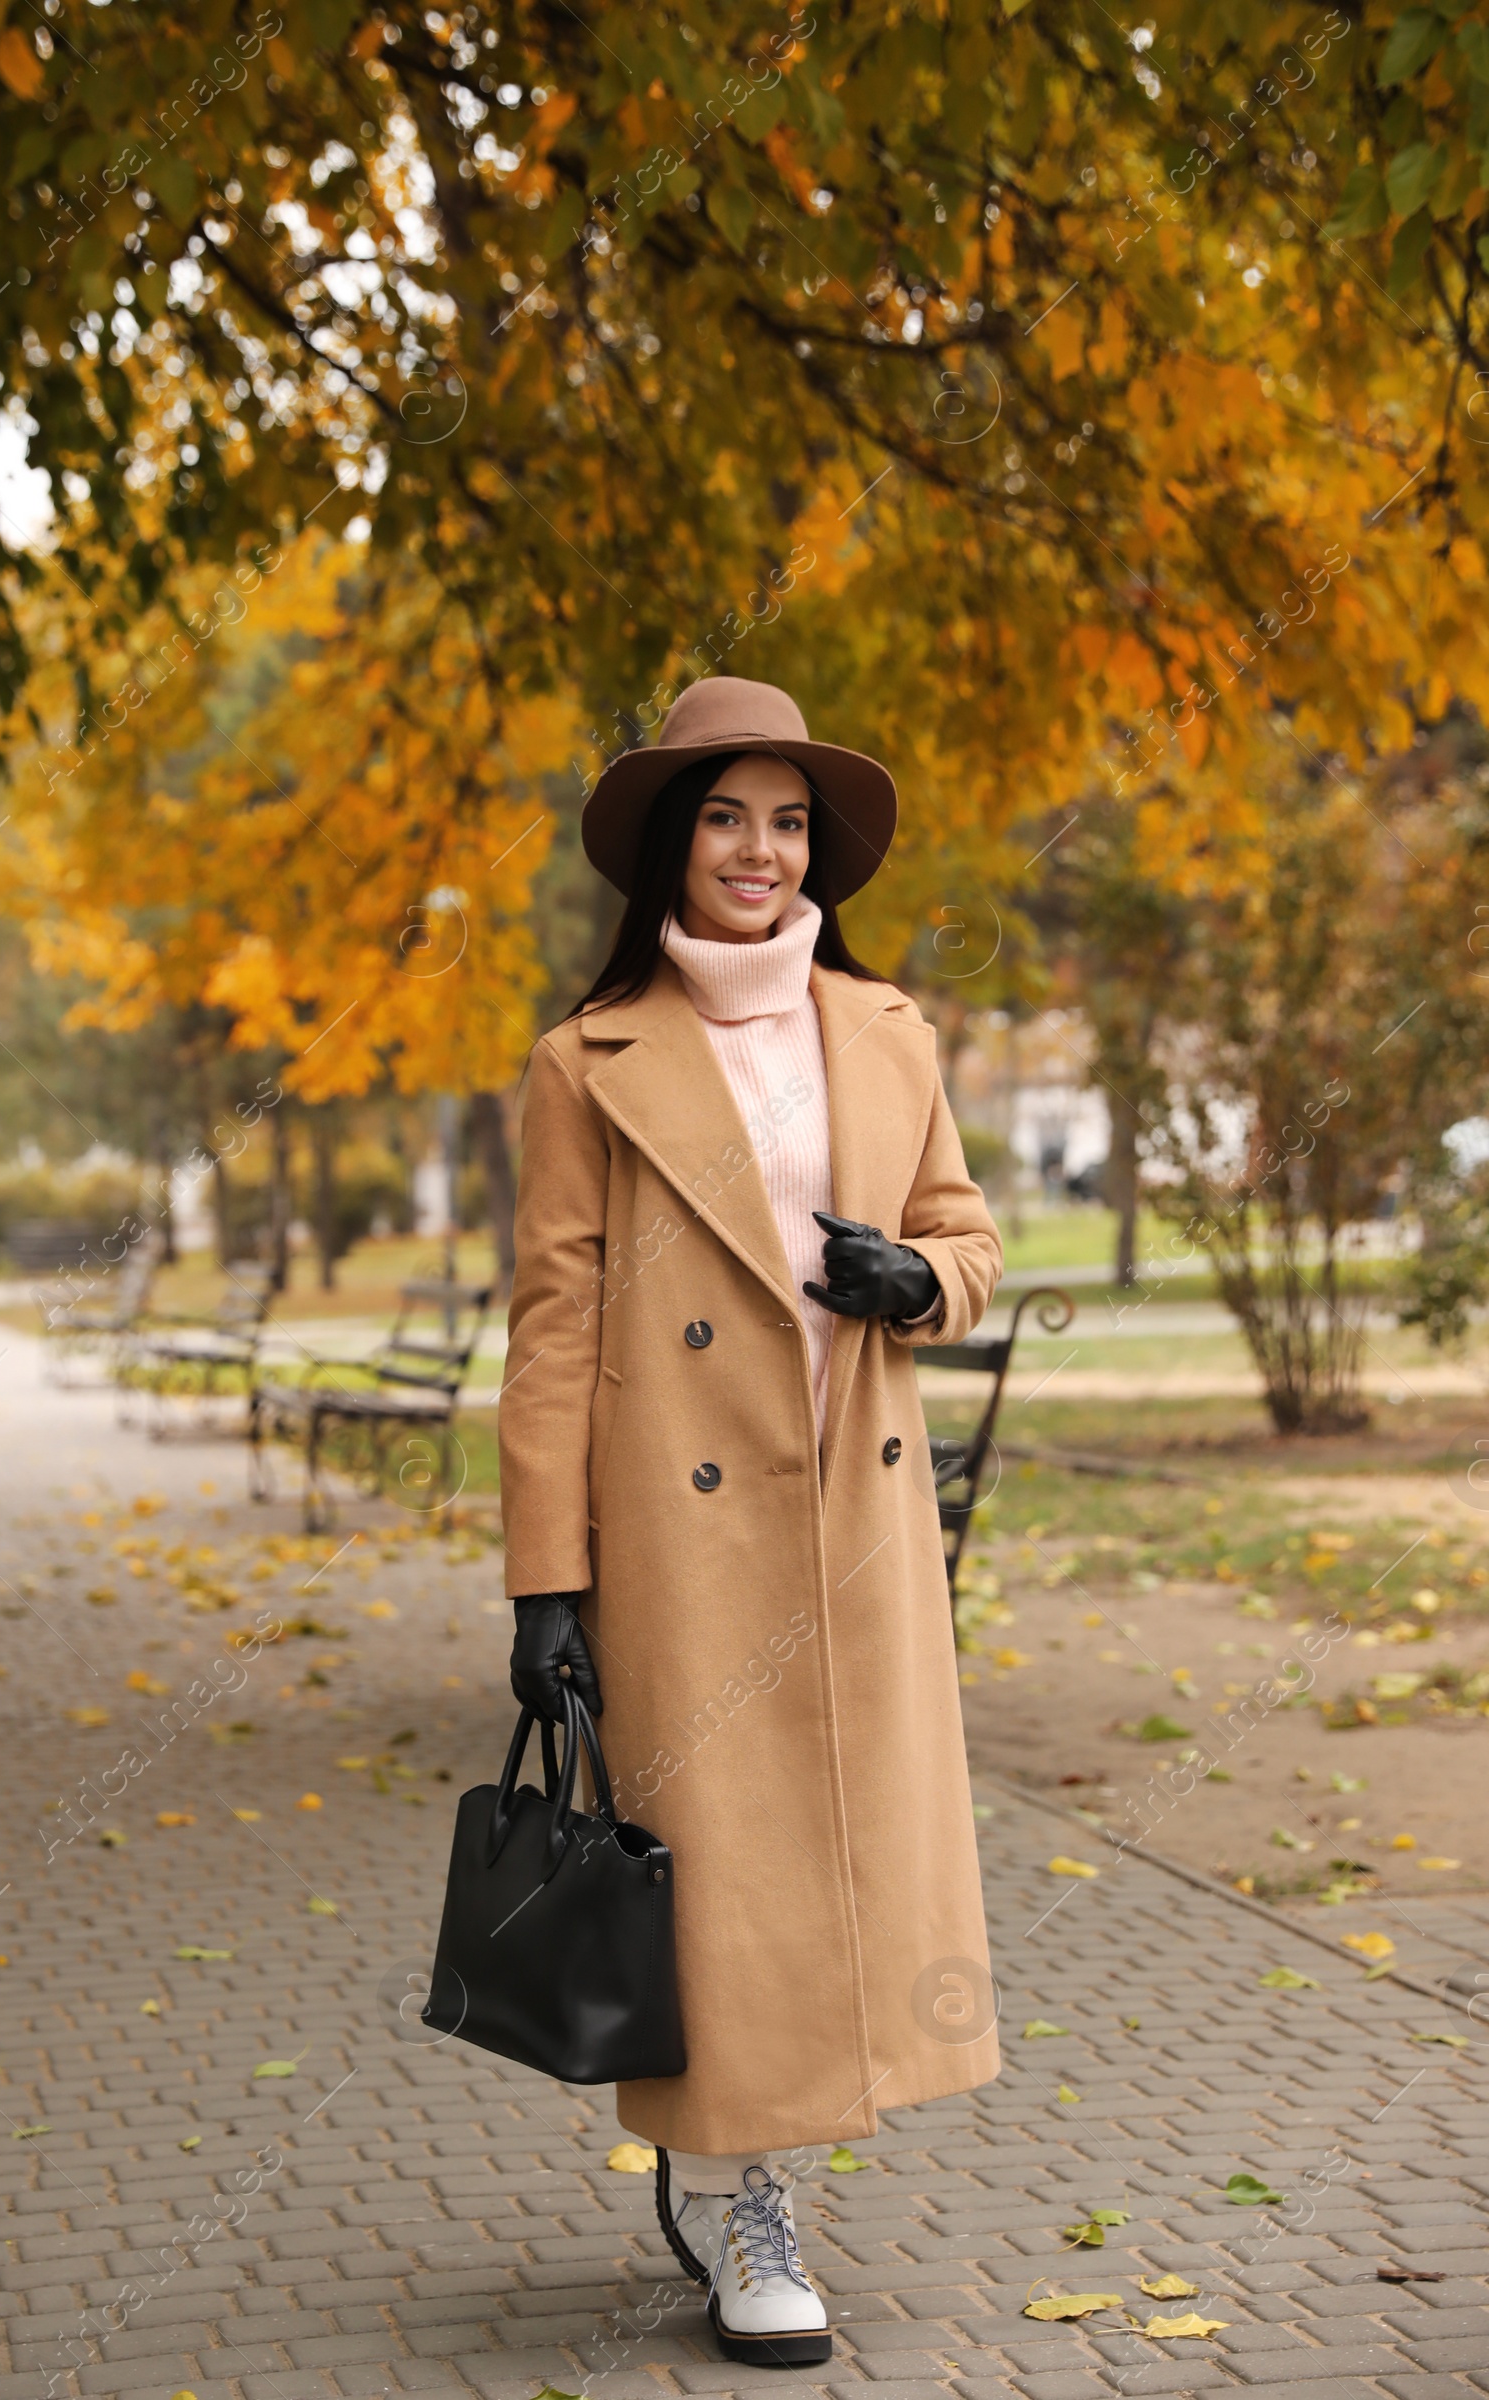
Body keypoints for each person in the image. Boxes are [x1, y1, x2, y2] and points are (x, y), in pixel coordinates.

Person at [497, 675, 1003, 2369]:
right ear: (670, 843)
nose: (760, 850)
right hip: (683, 1529)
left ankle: (772, 2193)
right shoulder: (586, 1064)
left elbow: (973, 1241)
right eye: (727, 816)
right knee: (722, 1877)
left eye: (787, 823)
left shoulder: (889, 1033)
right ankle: (750, 2203)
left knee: (836, 1862)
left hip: (851, 1511)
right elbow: (555, 1323)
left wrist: (918, 1277)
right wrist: (545, 1582)